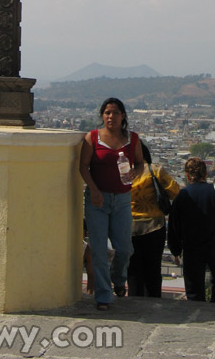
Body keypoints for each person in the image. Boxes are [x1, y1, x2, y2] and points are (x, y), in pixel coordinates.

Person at [79, 97, 144, 310]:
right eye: (107, 112)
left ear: (123, 116)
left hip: (123, 199)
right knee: (98, 250)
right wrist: (94, 190)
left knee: (124, 247)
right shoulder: (93, 138)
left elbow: (141, 163)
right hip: (98, 199)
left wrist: (136, 172)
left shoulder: (132, 139)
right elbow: (83, 167)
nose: (111, 116)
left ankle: (119, 279)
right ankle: (104, 295)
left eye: (115, 112)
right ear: (102, 116)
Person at [168, 157, 215, 302]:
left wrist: (175, 250)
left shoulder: (182, 196)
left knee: (194, 291)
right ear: (206, 174)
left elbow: (174, 226)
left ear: (187, 176)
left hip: (192, 248)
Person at [127, 141, 180, 297]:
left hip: (130, 228)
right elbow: (175, 191)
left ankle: (134, 301)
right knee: (153, 268)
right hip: (154, 226)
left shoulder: (123, 172)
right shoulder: (155, 170)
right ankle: (153, 301)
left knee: (134, 270)